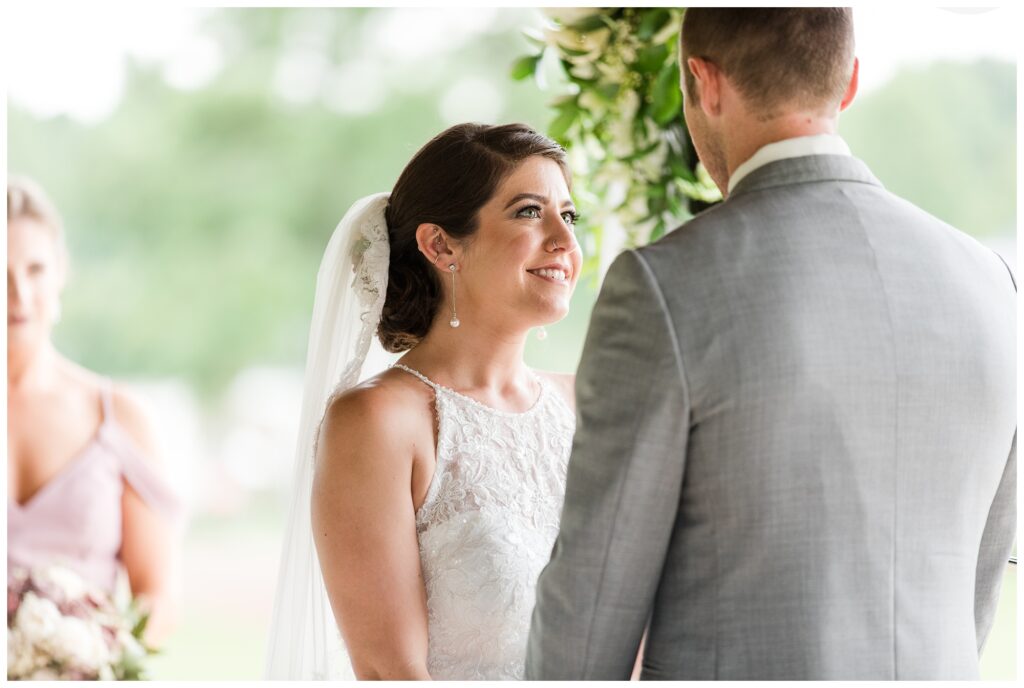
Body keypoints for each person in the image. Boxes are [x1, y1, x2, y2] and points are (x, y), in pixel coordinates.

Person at [526, 8, 1016, 680]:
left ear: (705, 81)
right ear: (847, 83)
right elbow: (979, 585)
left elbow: (590, 612)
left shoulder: (665, 286)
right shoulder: (991, 283)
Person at [265, 123, 581, 679]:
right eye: (530, 212)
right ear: (441, 245)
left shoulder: (587, 405)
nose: (564, 239)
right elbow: (391, 673)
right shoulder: (379, 422)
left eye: (569, 215)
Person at [7, 176, 183, 644]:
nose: (18, 296)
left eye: (35, 270)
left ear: (61, 271)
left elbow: (157, 595)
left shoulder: (119, 417)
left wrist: (94, 659)